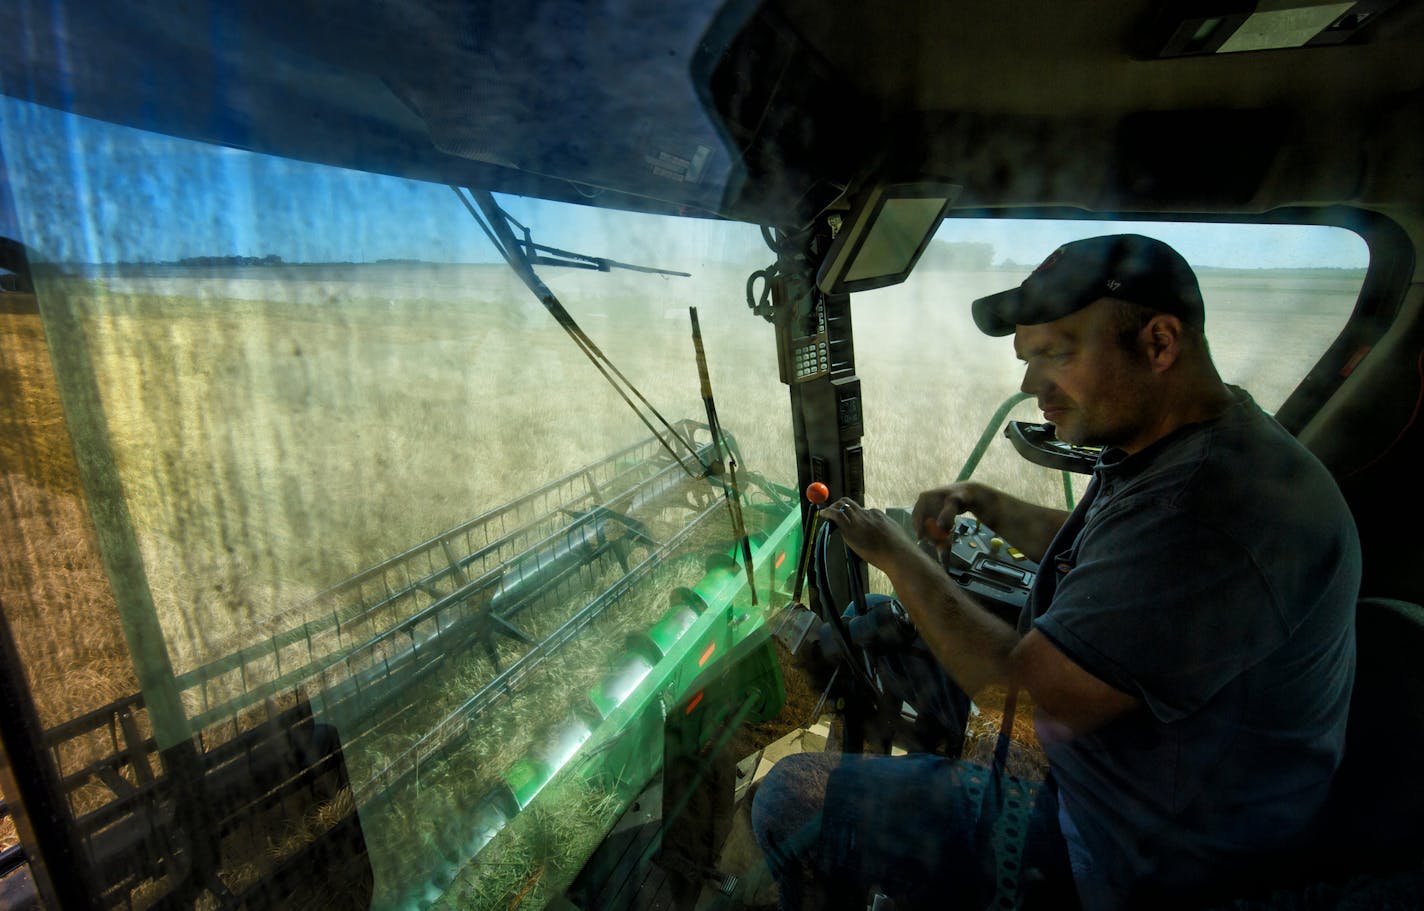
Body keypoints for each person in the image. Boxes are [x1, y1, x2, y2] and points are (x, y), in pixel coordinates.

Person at [751, 234, 1360, 910]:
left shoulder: (1207, 510)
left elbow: (1022, 696)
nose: (1029, 386)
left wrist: (895, 552)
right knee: (875, 633)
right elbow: (1110, 552)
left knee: (790, 800)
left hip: (1133, 848)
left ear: (1159, 344)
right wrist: (987, 502)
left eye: (1056, 354)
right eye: (1027, 358)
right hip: (1129, 762)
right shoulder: (1179, 439)